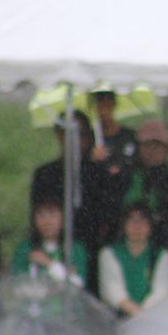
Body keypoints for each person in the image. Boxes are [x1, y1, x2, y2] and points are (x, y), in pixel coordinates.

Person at [30, 110, 115, 290]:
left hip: (91, 246)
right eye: (66, 133)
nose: (74, 140)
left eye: (80, 134)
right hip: (54, 244)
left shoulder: (99, 174)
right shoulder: (45, 174)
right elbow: (37, 213)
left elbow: (108, 214)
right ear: (58, 136)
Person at [111, 120, 168, 284]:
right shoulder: (123, 178)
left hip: (160, 244)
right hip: (124, 243)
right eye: (147, 146)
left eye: (158, 146)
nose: (152, 151)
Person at [99, 203, 168, 317]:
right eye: (132, 221)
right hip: (116, 318)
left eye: (143, 221)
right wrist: (136, 314)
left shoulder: (163, 256)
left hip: (151, 317)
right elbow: (113, 292)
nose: (137, 226)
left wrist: (142, 317)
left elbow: (161, 293)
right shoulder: (109, 253)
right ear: (124, 225)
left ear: (150, 227)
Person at [11, 198, 89, 287]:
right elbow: (17, 284)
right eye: (41, 215)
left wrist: (48, 263)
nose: (47, 222)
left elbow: (77, 285)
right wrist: (65, 273)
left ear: (63, 218)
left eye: (52, 215)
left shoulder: (75, 249)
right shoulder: (25, 249)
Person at [88, 90, 138, 178]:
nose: (104, 111)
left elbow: (136, 164)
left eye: (107, 106)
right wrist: (93, 160)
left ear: (114, 105)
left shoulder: (129, 135)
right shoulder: (90, 138)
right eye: (100, 106)